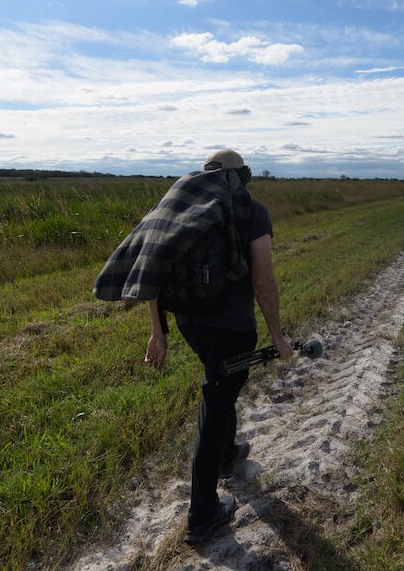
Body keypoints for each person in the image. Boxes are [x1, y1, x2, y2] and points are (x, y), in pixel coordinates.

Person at [94, 148, 292, 544]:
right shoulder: (253, 211)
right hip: (233, 328)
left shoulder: (184, 208)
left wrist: (159, 331)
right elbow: (263, 280)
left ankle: (226, 455)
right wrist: (277, 336)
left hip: (190, 324)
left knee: (221, 382)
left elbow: (155, 267)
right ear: (243, 176)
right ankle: (203, 515)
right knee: (215, 400)